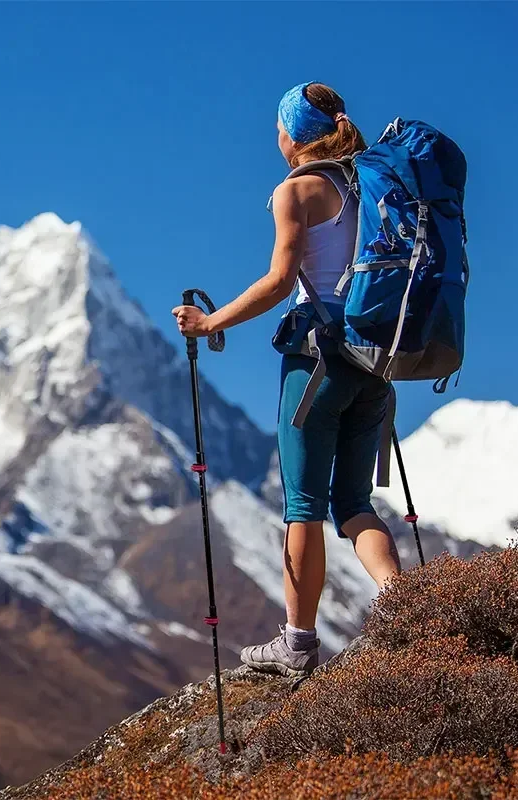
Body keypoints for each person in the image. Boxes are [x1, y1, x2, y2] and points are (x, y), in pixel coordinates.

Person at [172, 82, 401, 678]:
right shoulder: (369, 188)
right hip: (373, 363)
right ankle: (407, 607)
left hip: (316, 363)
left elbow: (280, 281)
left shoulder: (296, 191)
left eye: (278, 127)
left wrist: (209, 322)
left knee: (303, 505)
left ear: (292, 135)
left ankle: (297, 642)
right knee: (353, 502)